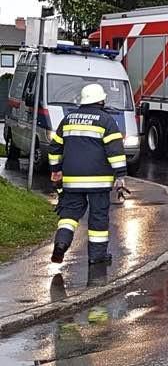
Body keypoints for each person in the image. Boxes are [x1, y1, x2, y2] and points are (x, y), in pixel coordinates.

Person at [48, 83, 128, 265]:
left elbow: (55, 147)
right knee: (98, 218)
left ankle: (61, 243)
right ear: (101, 99)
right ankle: (97, 256)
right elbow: (115, 151)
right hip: (99, 182)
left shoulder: (68, 119)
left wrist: (55, 170)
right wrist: (120, 177)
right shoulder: (106, 120)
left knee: (68, 215)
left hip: (71, 181)